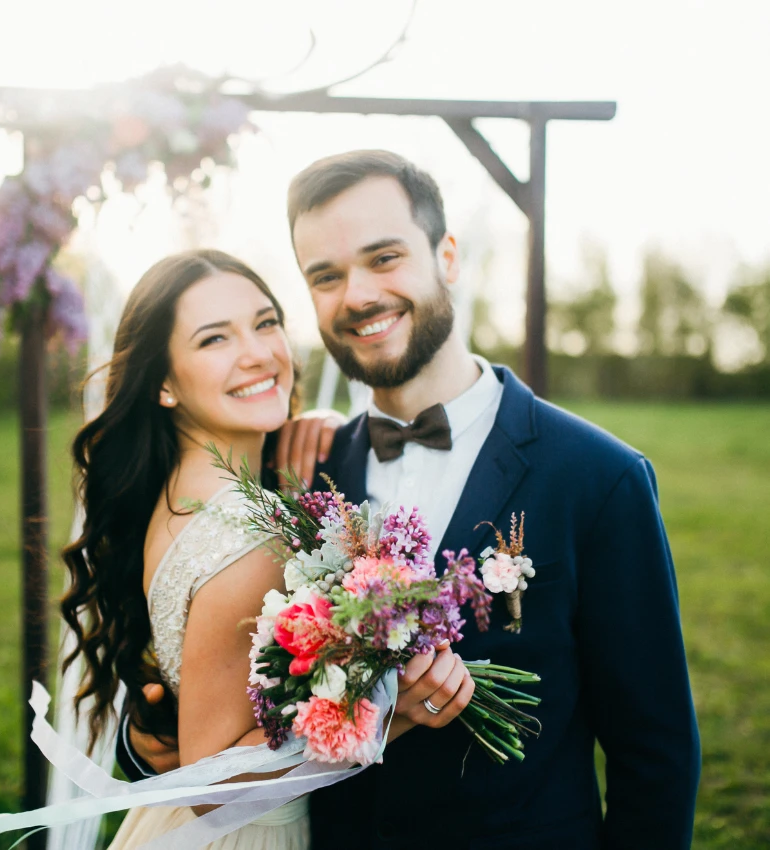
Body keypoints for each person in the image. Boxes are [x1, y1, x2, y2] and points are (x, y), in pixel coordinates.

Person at [124, 152, 702, 849]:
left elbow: (656, 757)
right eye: (326, 276)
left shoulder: (598, 478)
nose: (358, 295)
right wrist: (146, 732)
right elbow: (207, 686)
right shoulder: (298, 473)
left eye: (384, 258)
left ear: (446, 257)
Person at [64, 247, 473, 850]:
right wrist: (387, 709)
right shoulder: (246, 539)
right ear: (163, 384)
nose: (257, 353)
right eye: (214, 339)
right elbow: (211, 788)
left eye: (264, 323)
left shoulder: (185, 493)